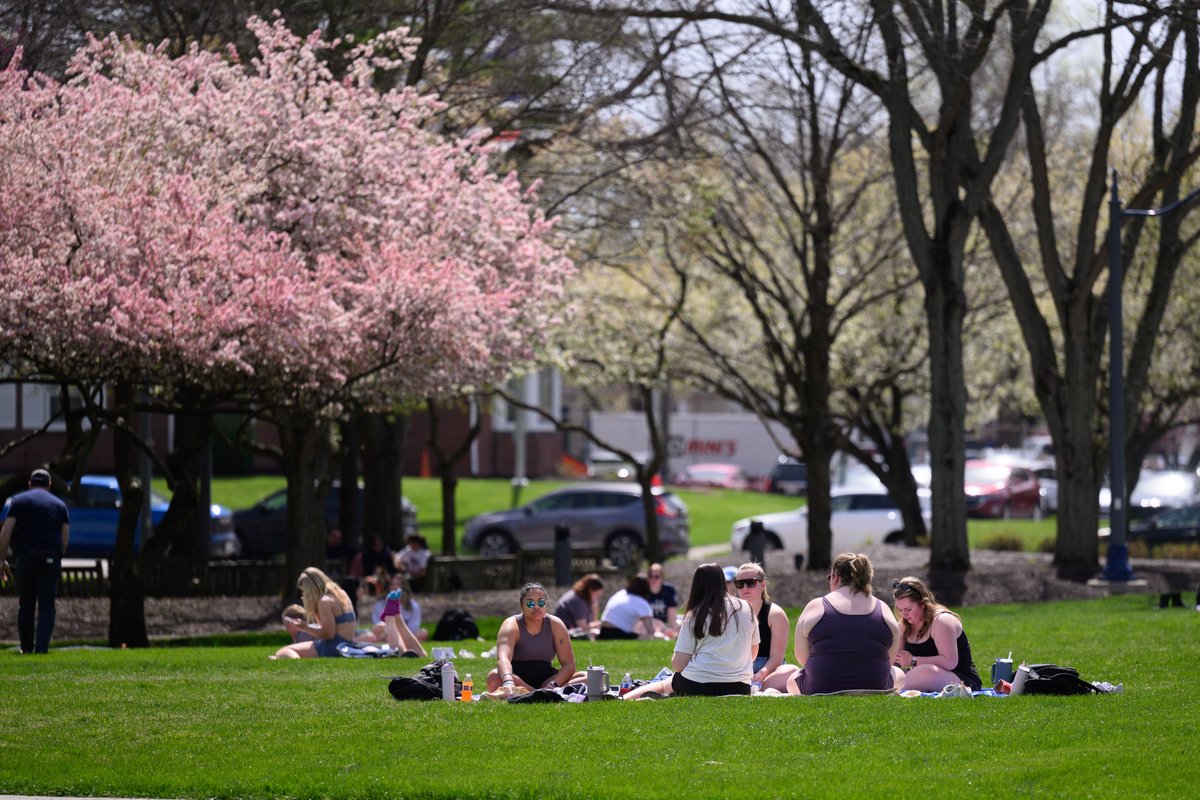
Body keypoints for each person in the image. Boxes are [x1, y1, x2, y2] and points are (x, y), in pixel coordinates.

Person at [623, 563, 759, 699]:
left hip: (698, 683)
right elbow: (752, 654)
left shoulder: (696, 614)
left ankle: (625, 698)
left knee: (665, 684)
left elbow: (678, 664)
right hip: (741, 686)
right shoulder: (747, 608)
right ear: (723, 582)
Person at [787, 552, 901, 695]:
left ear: (835, 575)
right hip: (875, 686)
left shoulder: (816, 606)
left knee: (792, 679)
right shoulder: (883, 609)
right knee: (899, 674)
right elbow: (888, 659)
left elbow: (802, 658)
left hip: (822, 688)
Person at [0, 469, 70, 654]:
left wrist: (2, 560)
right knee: (47, 605)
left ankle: (26, 648)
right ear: (49, 485)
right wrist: (57, 557)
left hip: (25, 557)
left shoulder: (18, 501)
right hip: (50, 557)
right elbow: (64, 540)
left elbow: (6, 531)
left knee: (26, 604)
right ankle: (41, 649)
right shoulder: (60, 505)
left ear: (29, 484)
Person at [485, 582, 585, 694]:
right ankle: (543, 693)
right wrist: (508, 681)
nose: (537, 607)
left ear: (546, 604)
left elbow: (569, 665)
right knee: (493, 678)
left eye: (541, 602)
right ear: (521, 606)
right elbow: (503, 658)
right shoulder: (511, 624)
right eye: (530, 603)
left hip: (547, 679)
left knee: (586, 677)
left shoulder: (555, 624)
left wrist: (553, 684)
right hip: (517, 678)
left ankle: (543, 692)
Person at [891, 576, 982, 692]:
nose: (904, 614)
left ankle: (891, 690)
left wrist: (913, 660)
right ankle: (888, 688)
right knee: (892, 672)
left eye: (908, 610)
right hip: (925, 674)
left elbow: (950, 662)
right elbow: (896, 662)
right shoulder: (903, 626)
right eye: (899, 609)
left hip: (961, 679)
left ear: (922, 604)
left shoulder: (942, 621)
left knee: (926, 672)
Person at [734, 562, 798, 692]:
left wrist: (761, 674)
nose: (745, 587)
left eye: (750, 583)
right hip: (740, 668)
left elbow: (777, 657)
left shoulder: (775, 614)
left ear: (762, 585)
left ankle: (752, 687)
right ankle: (752, 688)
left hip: (768, 670)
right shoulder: (731, 613)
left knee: (792, 671)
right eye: (740, 584)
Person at [272, 566, 361, 659]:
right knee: (286, 652)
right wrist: (313, 608)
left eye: (304, 591)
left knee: (284, 651)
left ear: (310, 589)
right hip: (347, 645)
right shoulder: (341, 593)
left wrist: (305, 627)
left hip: (334, 648)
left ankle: (294, 662)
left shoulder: (324, 602)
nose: (303, 594)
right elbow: (326, 627)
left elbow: (328, 634)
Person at [365, 571, 427, 643]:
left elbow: (414, 626)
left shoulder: (413, 606)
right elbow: (377, 625)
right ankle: (397, 640)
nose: (394, 587)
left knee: (423, 632)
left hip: (406, 634)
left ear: (404, 587)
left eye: (398, 584)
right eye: (392, 584)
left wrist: (400, 633)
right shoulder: (380, 604)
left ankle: (399, 641)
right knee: (372, 635)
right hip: (386, 634)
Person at [598, 574, 658, 639]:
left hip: (603, 631)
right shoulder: (642, 603)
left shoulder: (620, 594)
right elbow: (650, 630)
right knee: (650, 638)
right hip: (619, 633)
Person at [646, 563, 679, 636]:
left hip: (663, 623)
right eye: (650, 576)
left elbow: (672, 612)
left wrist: (674, 630)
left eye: (657, 577)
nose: (653, 579)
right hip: (648, 623)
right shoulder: (644, 591)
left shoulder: (668, 590)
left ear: (662, 578)